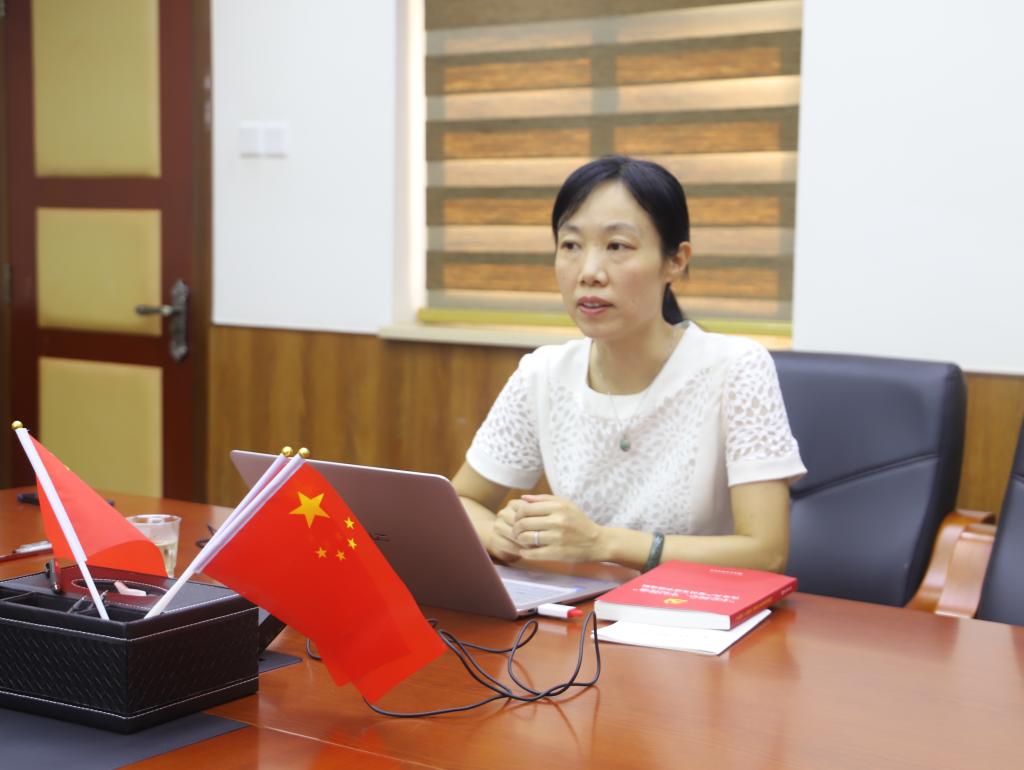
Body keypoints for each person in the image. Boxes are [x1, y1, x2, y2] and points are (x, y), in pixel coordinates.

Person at [452, 156, 806, 573]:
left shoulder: (736, 368)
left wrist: (604, 542)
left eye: (617, 246)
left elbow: (765, 552)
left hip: (694, 608)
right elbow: (462, 500)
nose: (589, 272)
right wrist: (497, 534)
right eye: (571, 245)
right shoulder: (542, 373)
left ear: (675, 261)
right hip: (585, 607)